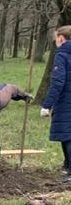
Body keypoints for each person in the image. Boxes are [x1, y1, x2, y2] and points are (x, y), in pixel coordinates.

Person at [40, 26, 71, 181]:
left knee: (67, 134)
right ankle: (67, 165)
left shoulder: (62, 55)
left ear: (61, 38)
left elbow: (58, 82)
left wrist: (47, 105)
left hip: (66, 100)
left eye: (55, 38)